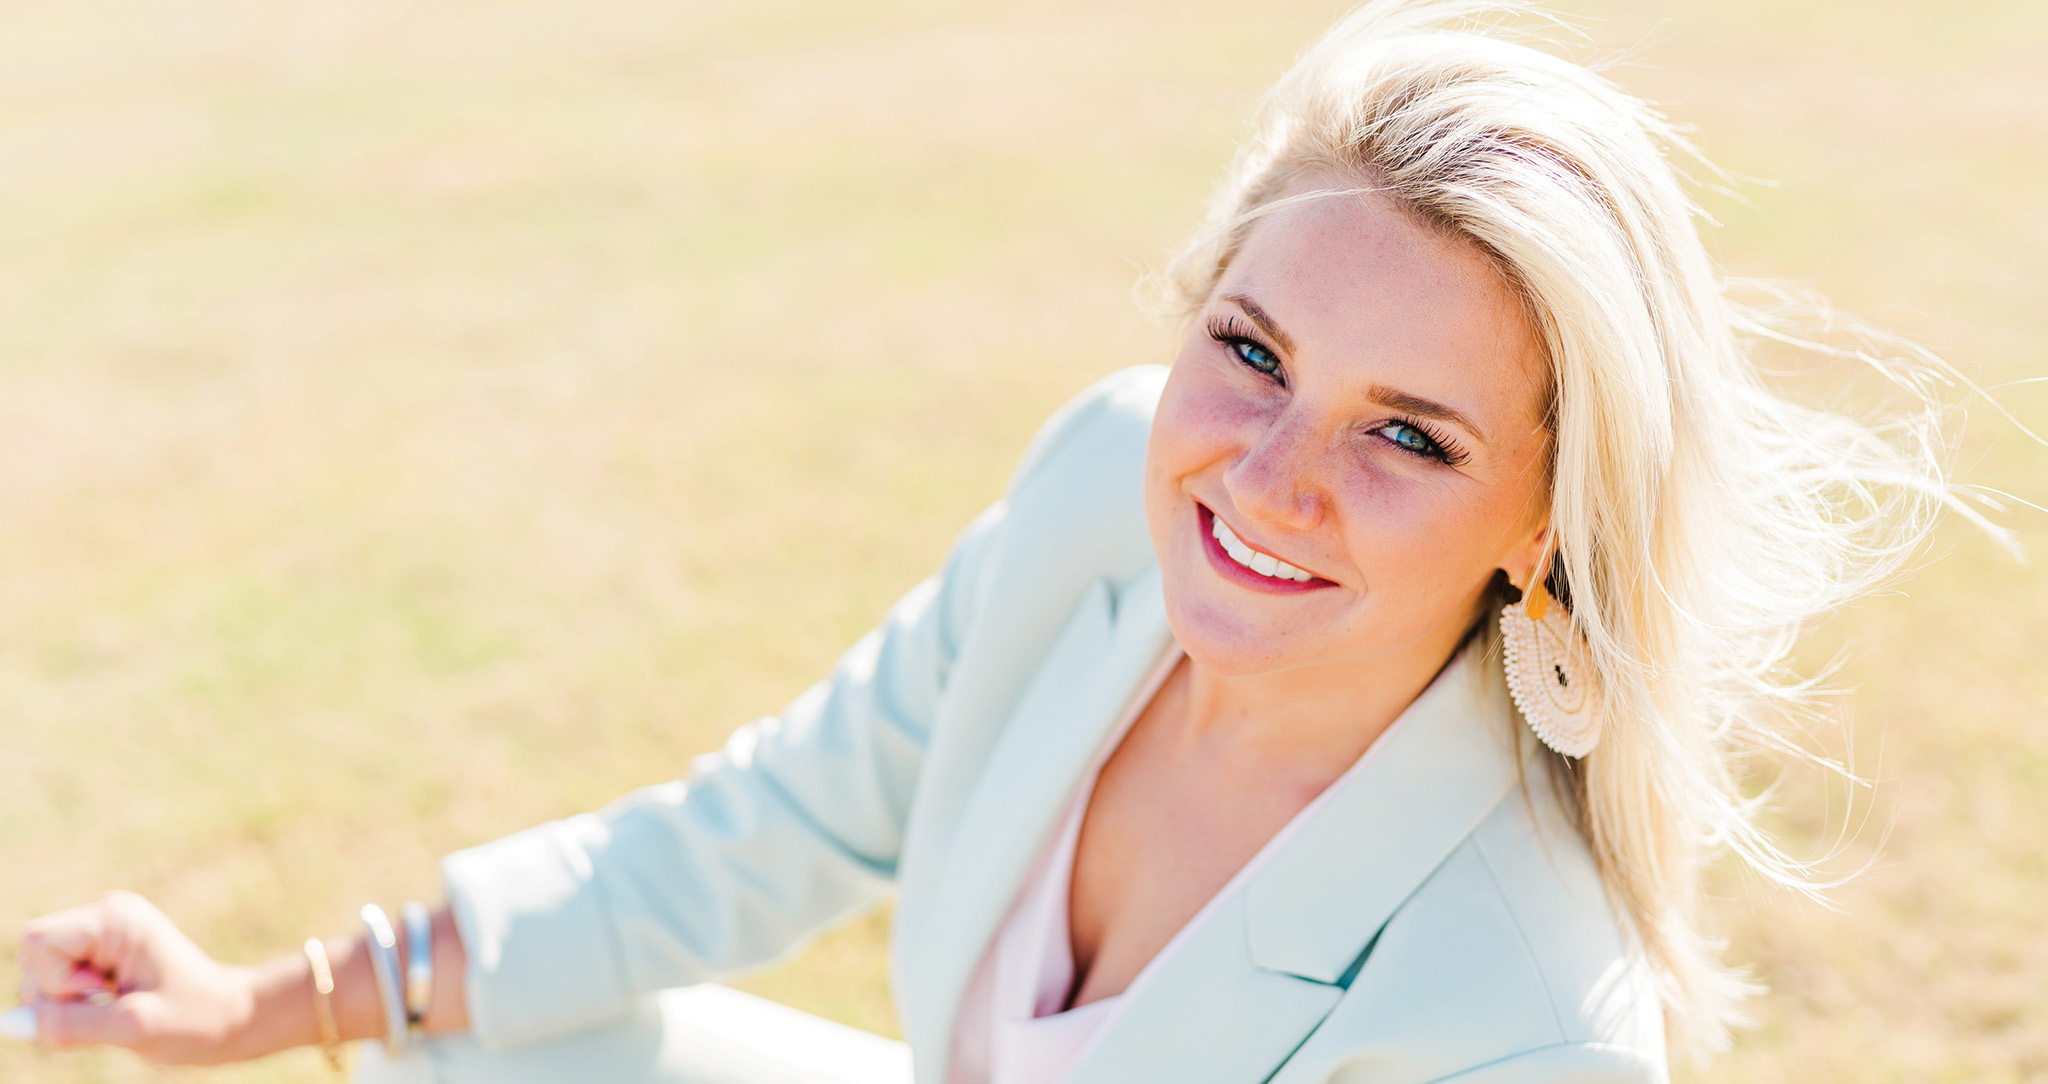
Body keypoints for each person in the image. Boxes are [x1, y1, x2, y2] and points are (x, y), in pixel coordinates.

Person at [8, 2, 1979, 1081]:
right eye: (1251, 350)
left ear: (1539, 527)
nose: (1266, 475)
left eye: (1405, 431)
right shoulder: (1089, 503)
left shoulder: (1521, 1021)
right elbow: (759, 825)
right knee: (490, 1061)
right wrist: (253, 1001)